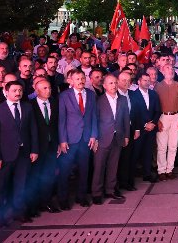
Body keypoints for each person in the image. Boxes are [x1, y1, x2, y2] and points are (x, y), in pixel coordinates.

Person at [58, 68, 98, 208]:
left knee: (84, 169)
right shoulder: (64, 96)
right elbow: (62, 119)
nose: (81, 81)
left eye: (82, 78)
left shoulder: (91, 95)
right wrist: (62, 140)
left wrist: (93, 135)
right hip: (69, 139)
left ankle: (81, 197)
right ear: (71, 81)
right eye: (77, 79)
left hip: (86, 139)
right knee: (65, 170)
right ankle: (63, 199)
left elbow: (94, 116)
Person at [0, 81, 38, 224]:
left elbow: (33, 130)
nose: (18, 93)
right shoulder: (0, 109)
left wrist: (34, 150)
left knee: (21, 184)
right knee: (2, 186)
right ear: (6, 92)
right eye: (14, 90)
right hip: (5, 155)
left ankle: (19, 212)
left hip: (24, 153)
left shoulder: (27, 107)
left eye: (20, 90)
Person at [91, 75, 130, 204]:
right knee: (99, 166)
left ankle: (110, 190)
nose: (113, 85)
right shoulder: (99, 101)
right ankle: (96, 193)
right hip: (102, 138)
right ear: (105, 86)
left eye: (115, 82)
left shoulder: (123, 100)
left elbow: (125, 119)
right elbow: (94, 121)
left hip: (117, 137)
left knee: (113, 165)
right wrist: (95, 138)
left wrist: (126, 136)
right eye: (110, 83)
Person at [28, 77, 60, 214]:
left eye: (49, 88)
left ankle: (46, 202)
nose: (48, 91)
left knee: (49, 175)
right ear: (36, 90)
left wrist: (59, 142)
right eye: (45, 88)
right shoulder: (30, 105)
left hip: (52, 145)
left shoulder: (54, 102)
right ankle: (34, 205)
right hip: (37, 147)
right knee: (35, 176)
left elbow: (57, 125)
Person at [130, 72, 161, 183]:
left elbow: (158, 111)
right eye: (145, 80)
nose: (147, 82)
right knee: (136, 152)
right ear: (139, 82)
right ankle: (130, 176)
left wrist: (153, 123)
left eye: (148, 80)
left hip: (151, 128)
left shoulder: (153, 94)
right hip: (139, 129)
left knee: (148, 152)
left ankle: (147, 174)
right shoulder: (133, 95)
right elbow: (133, 113)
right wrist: (144, 124)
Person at [154, 65, 178, 181]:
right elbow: (155, 105)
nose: (170, 71)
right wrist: (157, 120)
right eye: (167, 69)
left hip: (175, 116)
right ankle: (161, 170)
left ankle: (169, 170)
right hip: (162, 117)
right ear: (162, 71)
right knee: (162, 146)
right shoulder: (158, 86)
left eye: (172, 70)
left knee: (173, 145)